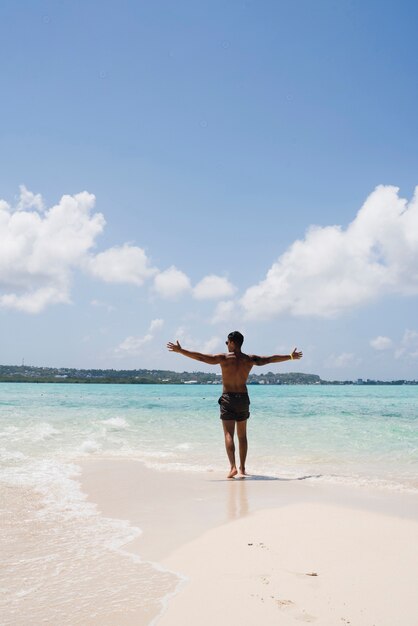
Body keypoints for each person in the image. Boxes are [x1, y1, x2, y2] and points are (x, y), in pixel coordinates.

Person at [167, 331, 303, 479]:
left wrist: (181, 351)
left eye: (227, 342)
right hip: (243, 399)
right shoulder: (249, 359)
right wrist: (290, 357)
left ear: (232, 342)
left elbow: (201, 357)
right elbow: (270, 359)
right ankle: (243, 468)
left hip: (228, 399)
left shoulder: (224, 358)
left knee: (228, 434)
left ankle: (232, 468)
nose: (226, 345)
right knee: (242, 435)